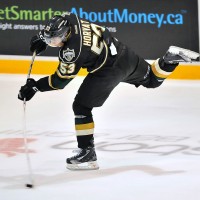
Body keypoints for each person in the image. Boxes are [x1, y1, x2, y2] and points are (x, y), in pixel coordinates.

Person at [18, 12, 199, 170]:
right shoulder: (69, 19)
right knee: (152, 79)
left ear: (65, 34)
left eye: (54, 40)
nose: (53, 43)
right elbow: (55, 28)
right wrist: (43, 38)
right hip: (122, 53)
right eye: (51, 39)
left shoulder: (72, 51)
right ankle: (169, 59)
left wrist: (35, 86)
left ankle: (87, 154)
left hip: (108, 69)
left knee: (81, 107)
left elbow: (59, 81)